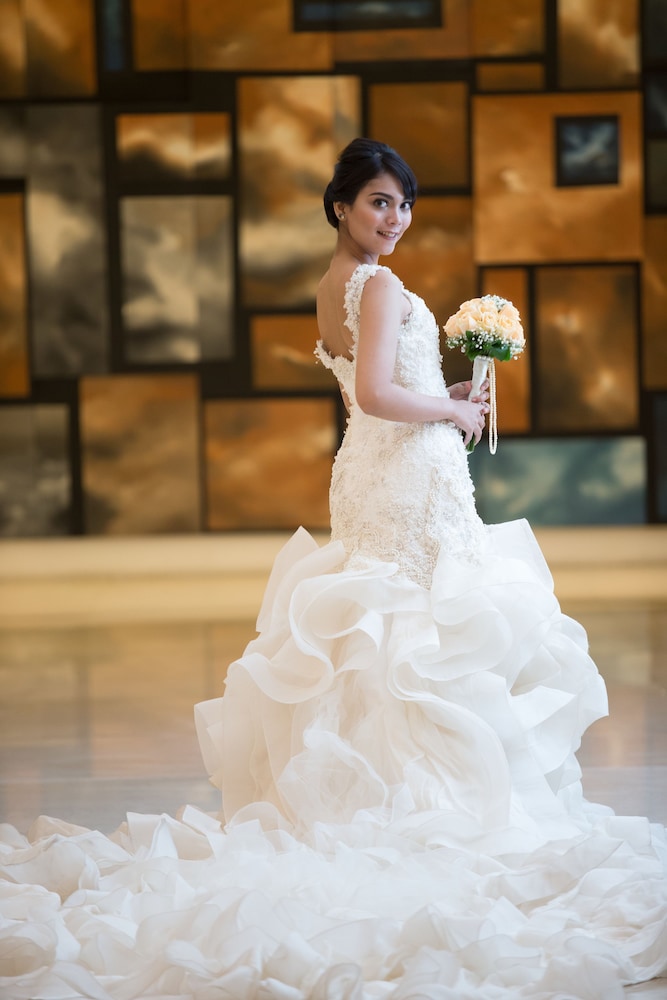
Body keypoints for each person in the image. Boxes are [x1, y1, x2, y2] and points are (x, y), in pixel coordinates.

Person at [1, 138, 666, 1000]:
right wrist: (452, 413)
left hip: (374, 473)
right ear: (341, 205)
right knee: (420, 635)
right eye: (379, 202)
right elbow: (383, 395)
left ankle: (371, 793)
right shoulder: (377, 287)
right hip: (404, 473)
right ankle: (431, 806)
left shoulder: (334, 285)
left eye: (404, 203)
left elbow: (373, 390)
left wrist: (446, 396)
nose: (395, 218)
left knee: (386, 636)